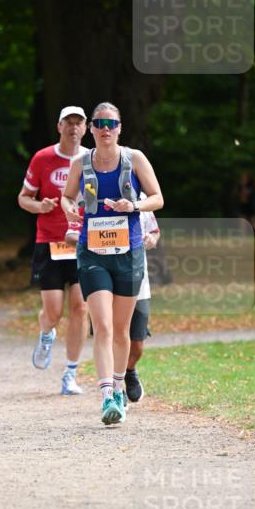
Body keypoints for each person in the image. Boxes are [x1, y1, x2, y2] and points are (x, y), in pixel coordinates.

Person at [62, 101, 163, 425]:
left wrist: (133, 205)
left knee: (121, 330)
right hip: (92, 253)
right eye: (100, 123)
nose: (105, 129)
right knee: (102, 326)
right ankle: (107, 396)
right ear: (91, 128)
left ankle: (119, 386)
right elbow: (67, 195)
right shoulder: (81, 162)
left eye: (111, 124)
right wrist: (67, 207)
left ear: (120, 128)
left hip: (129, 252)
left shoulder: (135, 159)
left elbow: (157, 197)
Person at [18, 106, 89, 395]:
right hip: (49, 241)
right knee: (53, 311)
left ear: (85, 128)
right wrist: (40, 206)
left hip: (84, 242)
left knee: (81, 308)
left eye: (79, 123)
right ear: (59, 126)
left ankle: (70, 374)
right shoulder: (43, 158)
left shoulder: (92, 159)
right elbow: (23, 198)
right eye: (68, 123)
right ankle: (47, 334)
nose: (73, 128)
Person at [125, 203, 160, 403]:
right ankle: (115, 387)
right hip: (108, 281)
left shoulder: (142, 200)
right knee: (111, 337)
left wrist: (151, 239)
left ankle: (129, 370)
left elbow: (154, 231)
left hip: (138, 282)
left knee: (137, 344)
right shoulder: (97, 194)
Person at [237, 171, 255, 239]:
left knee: (252, 221)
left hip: (250, 205)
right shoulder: (240, 187)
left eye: (244, 178)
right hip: (243, 205)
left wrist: (243, 187)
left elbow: (245, 195)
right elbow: (241, 197)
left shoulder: (251, 186)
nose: (242, 179)